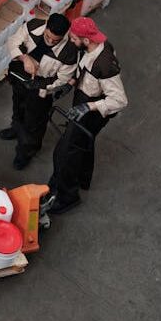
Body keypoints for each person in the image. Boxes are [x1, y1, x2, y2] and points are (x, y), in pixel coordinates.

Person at [47, 17, 128, 214]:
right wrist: (70, 85)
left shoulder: (105, 64)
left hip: (93, 111)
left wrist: (88, 107)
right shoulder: (92, 47)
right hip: (84, 99)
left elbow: (120, 101)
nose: (72, 42)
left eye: (74, 39)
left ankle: (67, 196)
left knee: (64, 153)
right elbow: (86, 73)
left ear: (85, 39)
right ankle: (83, 179)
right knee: (83, 144)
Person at [0, 13, 79, 170]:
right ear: (46, 26)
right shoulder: (34, 26)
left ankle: (27, 151)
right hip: (21, 78)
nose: (49, 41)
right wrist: (24, 58)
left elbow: (61, 80)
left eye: (55, 40)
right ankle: (16, 128)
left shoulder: (69, 51)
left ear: (64, 35)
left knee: (34, 123)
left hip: (42, 90)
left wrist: (37, 85)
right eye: (47, 36)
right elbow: (13, 42)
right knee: (18, 107)